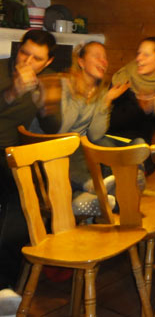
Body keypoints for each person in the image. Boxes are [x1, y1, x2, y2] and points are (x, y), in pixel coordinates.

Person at [0, 30, 57, 315]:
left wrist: (45, 105)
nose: (27, 61)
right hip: (3, 154)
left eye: (37, 59)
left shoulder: (40, 83)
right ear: (18, 49)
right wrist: (12, 93)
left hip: (12, 156)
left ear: (47, 63)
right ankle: (3, 285)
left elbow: (53, 129)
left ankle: (4, 286)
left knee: (29, 194)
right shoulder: (1, 70)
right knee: (22, 191)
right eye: (25, 53)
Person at [38, 41, 130, 216]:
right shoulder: (63, 83)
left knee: (94, 144)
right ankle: (96, 186)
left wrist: (106, 101)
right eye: (97, 56)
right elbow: (60, 130)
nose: (103, 61)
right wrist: (79, 96)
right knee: (72, 145)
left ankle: (83, 201)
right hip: (49, 144)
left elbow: (96, 134)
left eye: (105, 58)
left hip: (77, 150)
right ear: (81, 62)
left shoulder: (99, 91)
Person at [108, 37, 155, 151]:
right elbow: (108, 121)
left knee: (139, 145)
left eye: (146, 55)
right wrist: (107, 99)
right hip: (109, 141)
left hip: (138, 147)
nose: (138, 58)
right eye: (138, 53)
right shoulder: (123, 78)